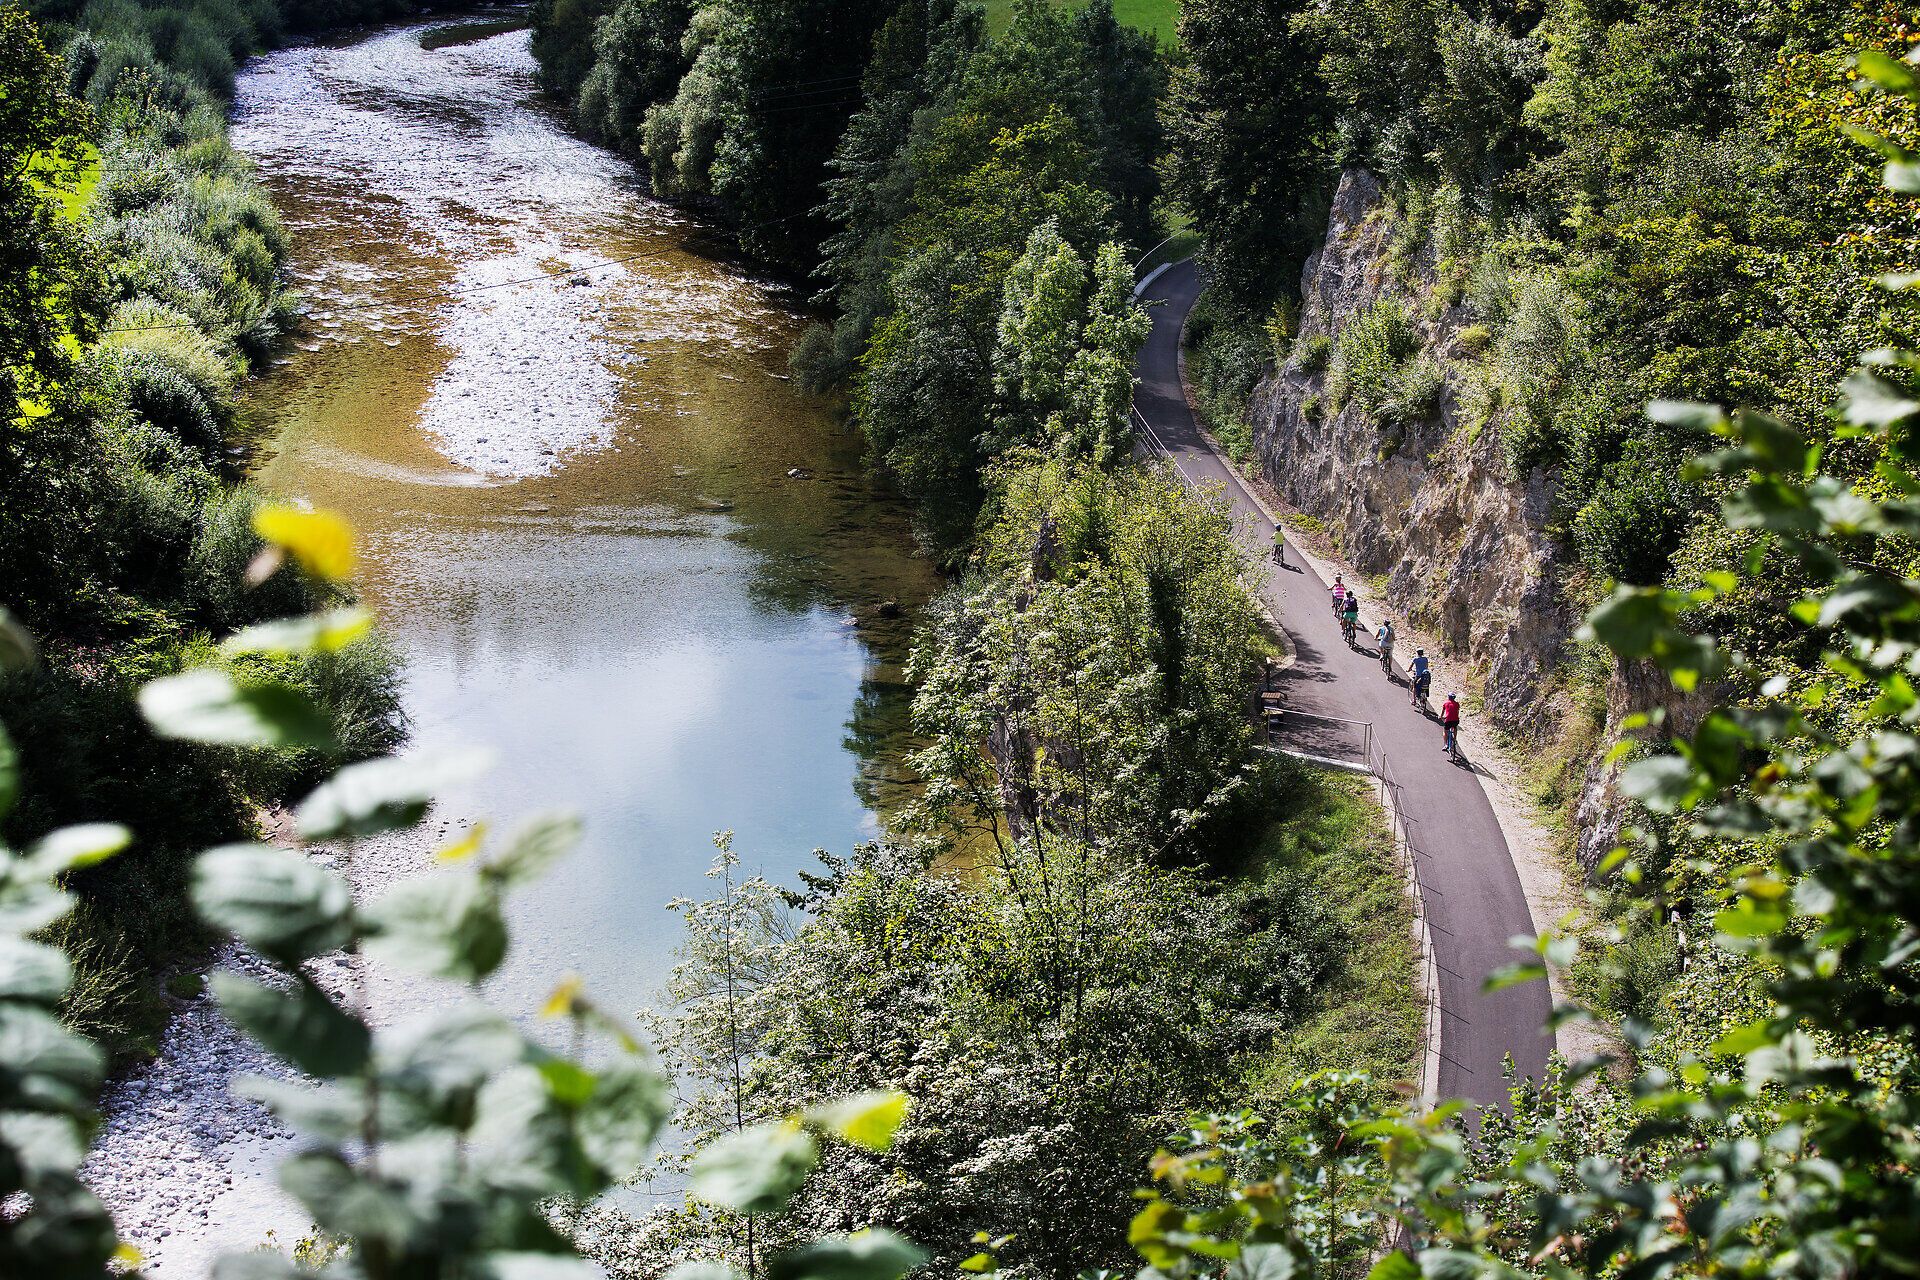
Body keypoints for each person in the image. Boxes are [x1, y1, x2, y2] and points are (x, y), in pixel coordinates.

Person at [1440, 692, 1461, 758]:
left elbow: (1443, 711)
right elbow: (1457, 712)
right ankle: (1454, 739)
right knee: (1455, 727)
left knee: (1445, 730)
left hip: (1448, 720)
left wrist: (1441, 717)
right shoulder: (1457, 704)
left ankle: (1446, 744)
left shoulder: (1446, 703)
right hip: (1455, 720)